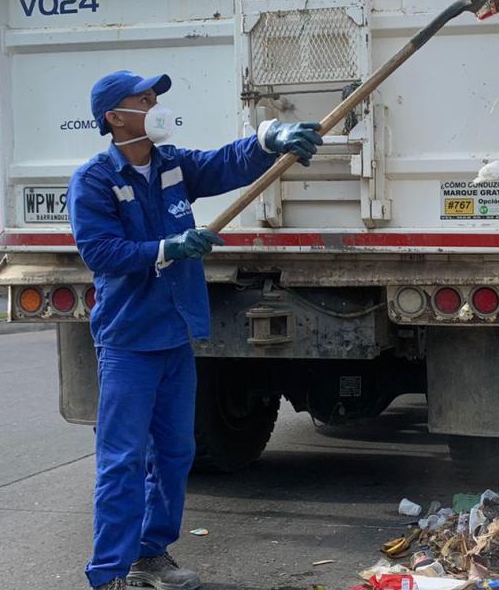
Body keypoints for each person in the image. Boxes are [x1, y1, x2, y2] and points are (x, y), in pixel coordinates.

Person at [69, 71, 323, 590]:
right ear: (115, 118)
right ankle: (108, 574)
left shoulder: (172, 165)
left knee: (176, 452)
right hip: (128, 341)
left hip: (175, 335)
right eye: (144, 99)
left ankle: (151, 553)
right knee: (122, 460)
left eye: (156, 97)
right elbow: (100, 253)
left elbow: (225, 164)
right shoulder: (95, 180)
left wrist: (268, 138)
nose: (156, 104)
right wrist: (168, 248)